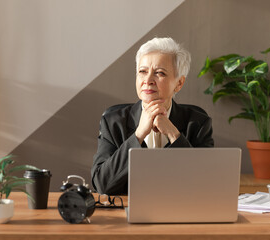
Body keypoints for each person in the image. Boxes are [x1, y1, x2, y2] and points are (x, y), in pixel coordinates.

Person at [91, 37, 214, 195]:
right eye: (142, 72)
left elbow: (205, 184)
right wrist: (138, 134)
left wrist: (173, 134)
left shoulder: (197, 122)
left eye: (159, 73)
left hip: (181, 212)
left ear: (179, 83)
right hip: (125, 214)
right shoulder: (113, 121)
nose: (148, 80)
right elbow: (102, 184)